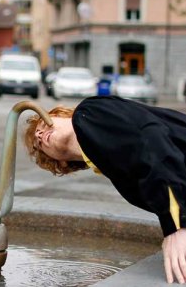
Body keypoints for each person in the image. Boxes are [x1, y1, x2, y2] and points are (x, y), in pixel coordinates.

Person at [23, 95, 186, 284]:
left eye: (43, 125)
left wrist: (176, 224)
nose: (40, 134)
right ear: (61, 162)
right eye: (39, 143)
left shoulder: (89, 113)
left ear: (63, 115)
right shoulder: (108, 163)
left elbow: (152, 137)